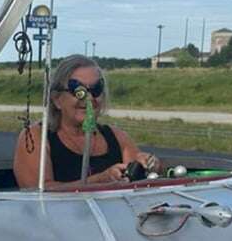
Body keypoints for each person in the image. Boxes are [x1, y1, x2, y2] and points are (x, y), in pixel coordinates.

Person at [13, 55, 159, 189]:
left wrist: (147, 165)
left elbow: (136, 182)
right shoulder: (36, 137)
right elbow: (37, 192)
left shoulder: (118, 137)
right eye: (78, 91)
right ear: (57, 99)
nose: (89, 99)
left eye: (96, 89)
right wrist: (101, 180)